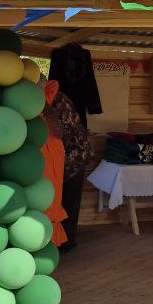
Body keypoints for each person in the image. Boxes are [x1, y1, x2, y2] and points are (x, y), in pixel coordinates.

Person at [40, 80, 91, 252]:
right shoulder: (46, 99)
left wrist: (45, 108)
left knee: (68, 200)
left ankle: (66, 242)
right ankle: (60, 241)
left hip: (74, 156)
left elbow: (61, 130)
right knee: (59, 199)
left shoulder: (57, 99)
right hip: (62, 157)